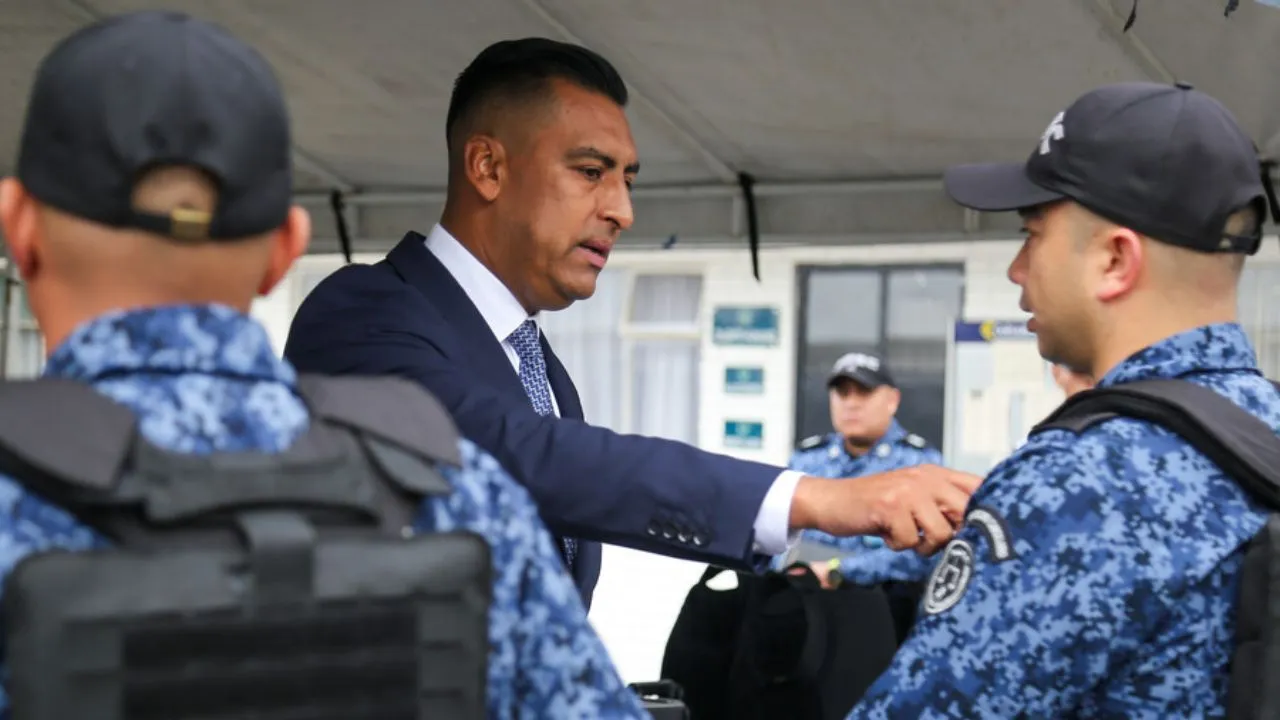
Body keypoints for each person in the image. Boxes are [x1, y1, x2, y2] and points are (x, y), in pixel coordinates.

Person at [0, 12, 645, 718]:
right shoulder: (454, 495)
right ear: (285, 251)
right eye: (592, 172)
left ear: (18, 228)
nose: (622, 210)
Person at [284, 37, 980, 608]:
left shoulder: (536, 364)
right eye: (591, 172)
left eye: (628, 179)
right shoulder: (362, 316)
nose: (623, 210)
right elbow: (517, 456)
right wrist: (813, 498)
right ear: (488, 167)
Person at [849, 81, 1278, 717]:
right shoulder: (1263, 426)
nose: (1017, 269)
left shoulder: (1078, 485)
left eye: (1032, 234)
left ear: (1114, 261)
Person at [779, 352, 943, 589]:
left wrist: (840, 572)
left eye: (864, 392)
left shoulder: (920, 463)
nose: (851, 404)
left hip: (882, 607)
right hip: (805, 602)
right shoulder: (807, 459)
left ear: (892, 401)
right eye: (843, 393)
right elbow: (778, 533)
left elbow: (926, 551)